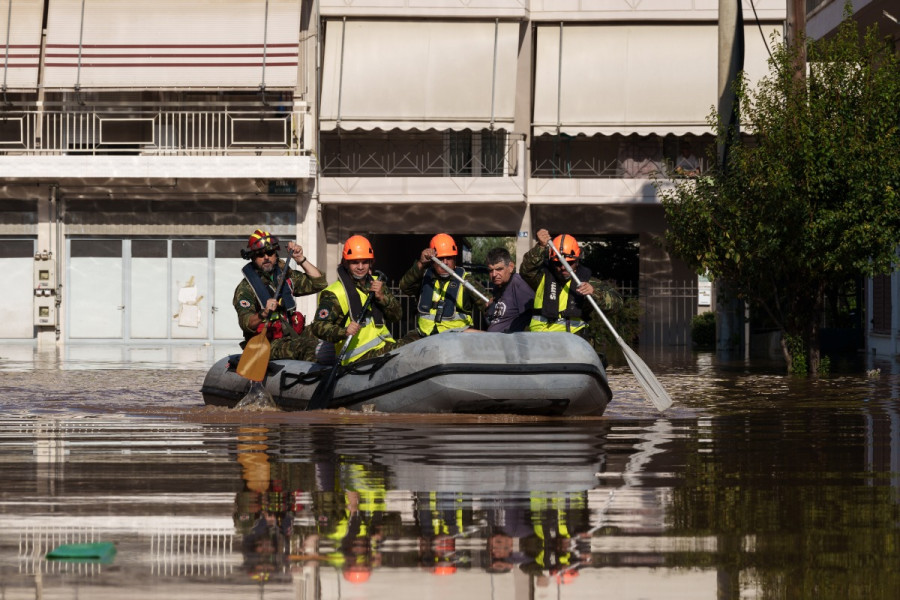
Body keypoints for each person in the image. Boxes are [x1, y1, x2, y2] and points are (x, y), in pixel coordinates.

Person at [520, 229, 623, 360]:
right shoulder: (541, 278)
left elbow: (617, 303)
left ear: (577, 261)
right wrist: (540, 247)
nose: (563, 267)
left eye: (569, 263)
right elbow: (526, 269)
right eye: (558, 263)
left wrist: (595, 293)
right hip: (539, 343)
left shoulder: (588, 282)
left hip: (573, 344)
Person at [308, 235, 408, 365]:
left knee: (416, 347)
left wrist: (382, 298)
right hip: (356, 357)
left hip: (384, 346)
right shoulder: (334, 293)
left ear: (371, 262)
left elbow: (397, 316)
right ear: (345, 263)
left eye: (365, 262)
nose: (360, 267)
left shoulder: (377, 283)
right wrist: (344, 332)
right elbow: (318, 326)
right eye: (355, 262)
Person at [233, 229, 327, 361]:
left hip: (292, 334)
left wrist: (301, 259)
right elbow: (245, 322)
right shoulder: (246, 288)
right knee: (308, 347)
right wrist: (263, 313)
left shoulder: (285, 276)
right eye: (260, 254)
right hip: (268, 343)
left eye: (270, 253)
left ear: (276, 254)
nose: (266, 257)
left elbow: (319, 283)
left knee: (327, 330)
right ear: (253, 258)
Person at [398, 233, 488, 340]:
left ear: (455, 259)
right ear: (432, 261)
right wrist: (421, 263)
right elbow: (404, 287)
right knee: (399, 350)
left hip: (455, 338)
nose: (445, 263)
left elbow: (488, 304)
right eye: (440, 259)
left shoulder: (466, 280)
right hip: (424, 336)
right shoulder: (424, 277)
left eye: (449, 258)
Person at [483, 247, 534, 333]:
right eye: (491, 270)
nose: (494, 274)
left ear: (510, 267)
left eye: (499, 269)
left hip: (510, 343)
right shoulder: (498, 286)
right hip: (494, 340)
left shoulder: (518, 285)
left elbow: (531, 317)